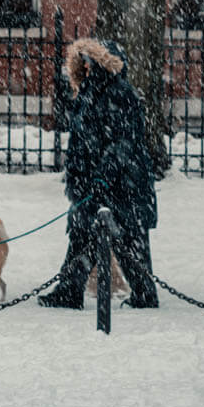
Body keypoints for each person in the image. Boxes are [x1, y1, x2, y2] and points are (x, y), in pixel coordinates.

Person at [39, 37, 159, 309]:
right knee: (81, 233)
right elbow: (82, 141)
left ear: (104, 64)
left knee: (129, 240)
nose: (87, 67)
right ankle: (69, 289)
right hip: (91, 183)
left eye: (91, 62)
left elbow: (123, 143)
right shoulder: (86, 93)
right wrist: (79, 178)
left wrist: (104, 175)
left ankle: (144, 294)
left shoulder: (121, 93)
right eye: (84, 62)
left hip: (124, 184)